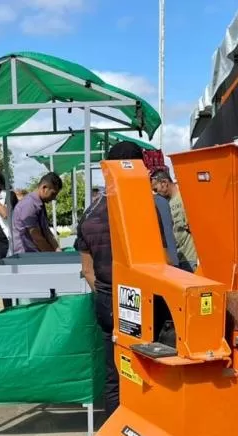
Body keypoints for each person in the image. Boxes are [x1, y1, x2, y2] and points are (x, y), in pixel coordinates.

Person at [76, 141, 145, 418]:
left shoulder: (89, 214)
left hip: (106, 300)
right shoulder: (146, 207)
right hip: (142, 301)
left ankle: (116, 427)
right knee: (145, 368)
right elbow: (167, 261)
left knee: (113, 371)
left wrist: (106, 293)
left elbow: (88, 270)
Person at [150, 168, 199, 272]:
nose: (155, 193)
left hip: (189, 258)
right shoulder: (165, 203)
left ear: (164, 183)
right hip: (175, 258)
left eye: (155, 189)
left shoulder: (184, 198)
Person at [12, 172, 62, 253]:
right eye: (53, 194)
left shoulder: (40, 204)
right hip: (25, 257)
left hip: (35, 254)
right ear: (44, 188)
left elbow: (46, 231)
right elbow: (37, 238)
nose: (54, 198)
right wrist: (52, 256)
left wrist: (57, 249)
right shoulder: (29, 204)